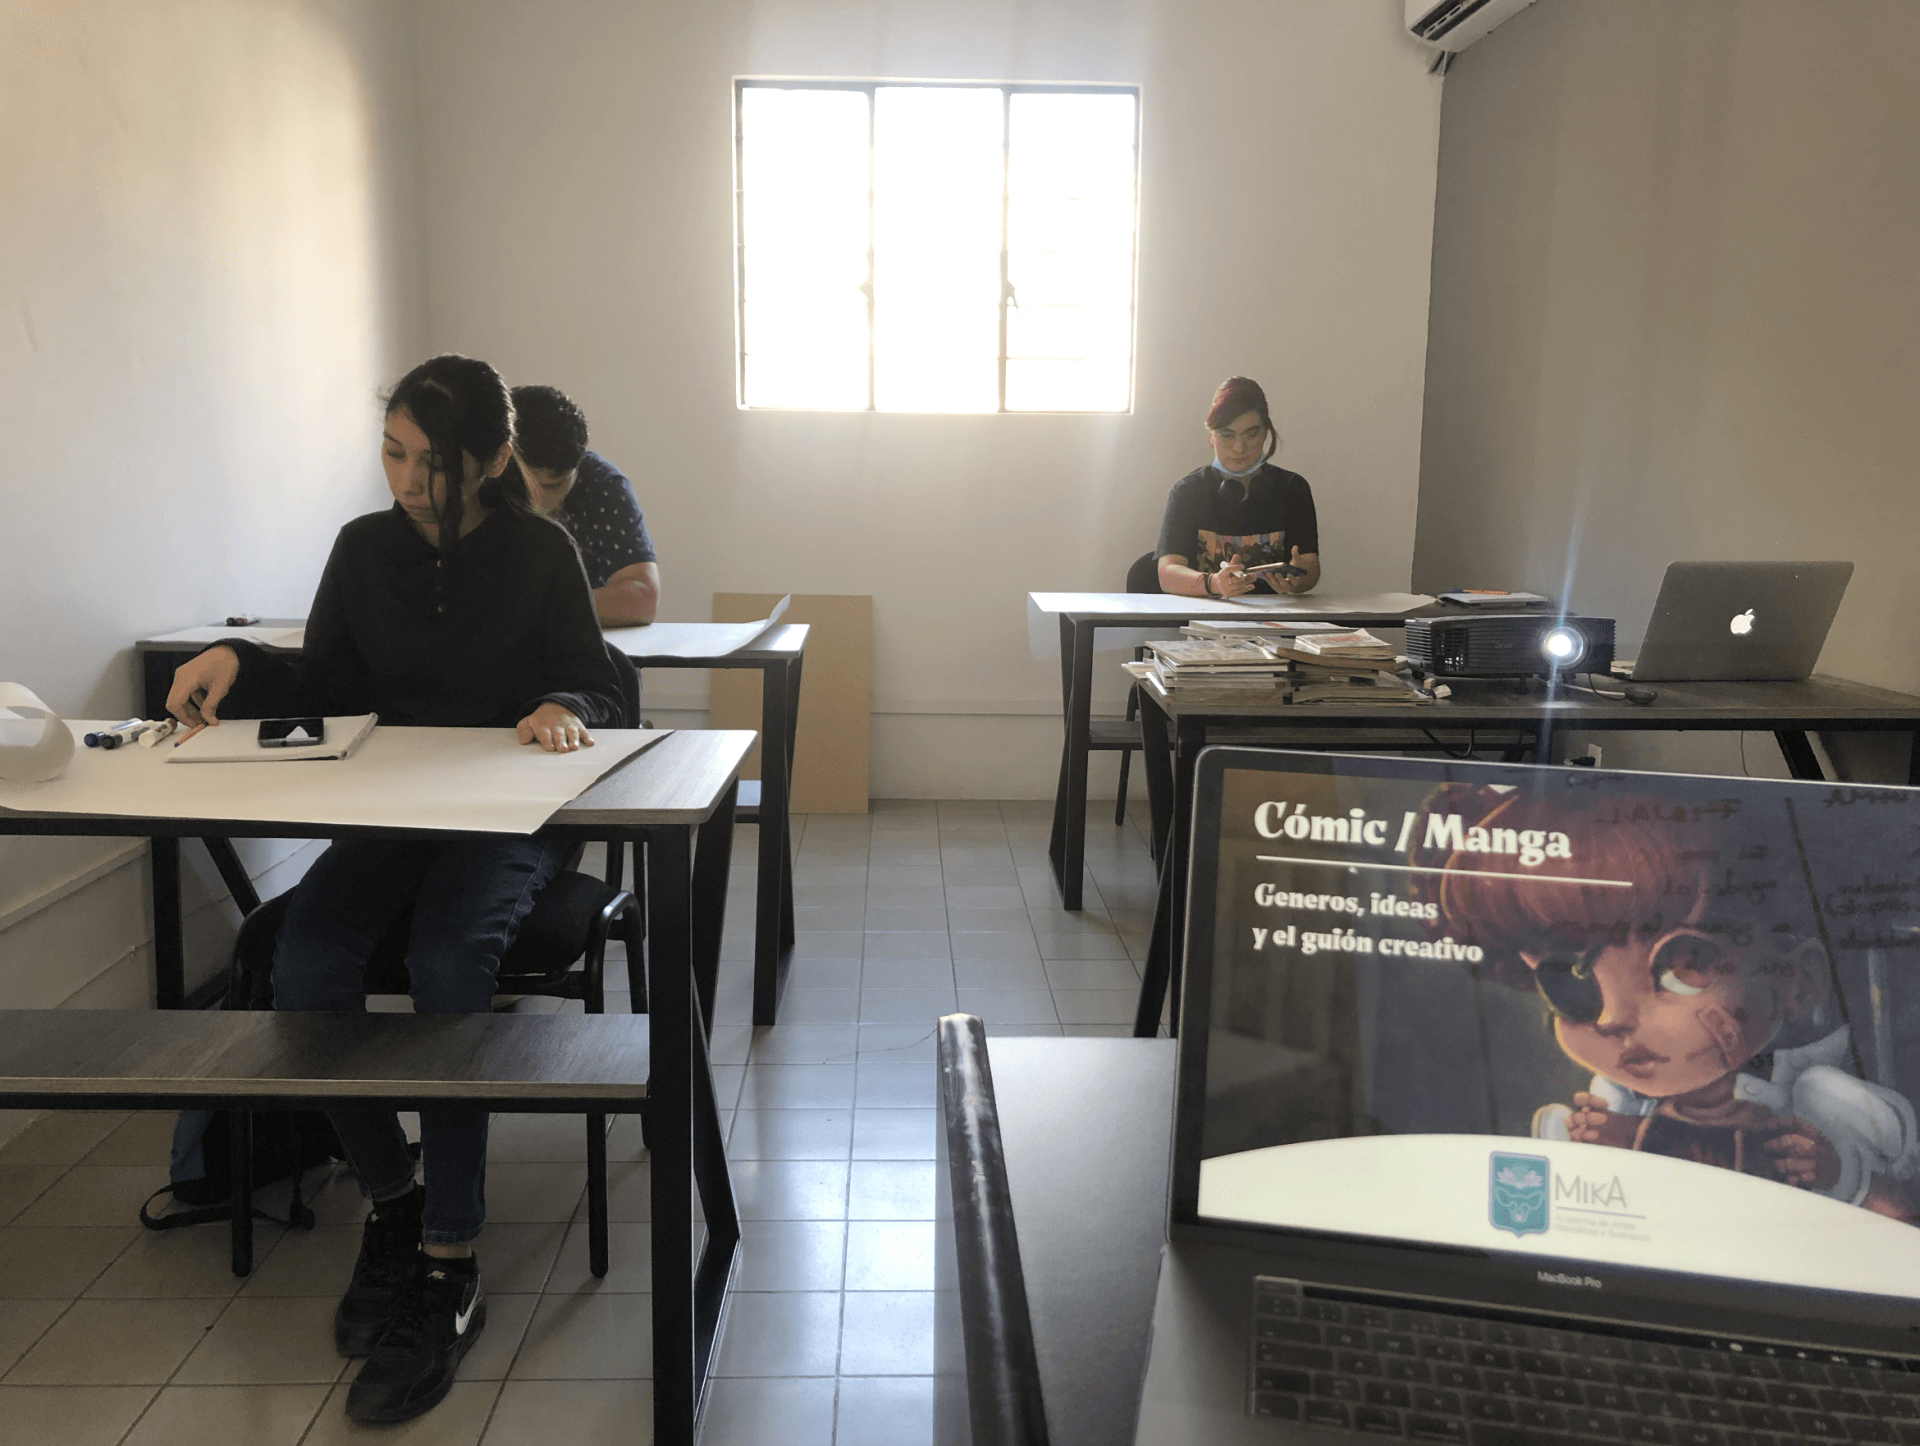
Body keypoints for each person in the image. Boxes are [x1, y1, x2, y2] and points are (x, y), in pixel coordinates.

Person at [165, 355, 625, 1426]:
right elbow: (328, 688)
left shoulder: (539, 549)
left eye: (438, 463)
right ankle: (394, 1195)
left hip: (512, 819)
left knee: (447, 961)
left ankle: (450, 1254)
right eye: (395, 454)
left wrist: (560, 702)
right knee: (304, 958)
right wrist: (238, 658)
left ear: (497, 460)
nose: (410, 483)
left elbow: (602, 680)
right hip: (396, 818)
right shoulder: (362, 550)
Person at [1413, 783, 1920, 1222]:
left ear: (1797, 981)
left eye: (1684, 968)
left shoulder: (1822, 1101)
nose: (1613, 1019)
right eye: (1569, 984)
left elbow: (1904, 1226)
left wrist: (1844, 1177)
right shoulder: (1618, 1098)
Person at [1155, 375, 1321, 599]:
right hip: (1204, 622)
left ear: (1265, 434)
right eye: (1227, 434)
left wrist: (1299, 578)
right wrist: (1213, 583)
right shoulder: (1187, 492)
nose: (1239, 447)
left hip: (1278, 622)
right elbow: (1168, 573)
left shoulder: (1293, 489)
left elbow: (1311, 568)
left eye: (1251, 434)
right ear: (1211, 437)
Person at [507, 384, 660, 626]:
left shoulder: (602, 485)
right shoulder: (478, 480)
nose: (537, 501)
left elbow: (641, 598)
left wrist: (535, 608)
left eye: (553, 486)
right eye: (522, 482)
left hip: (579, 647)